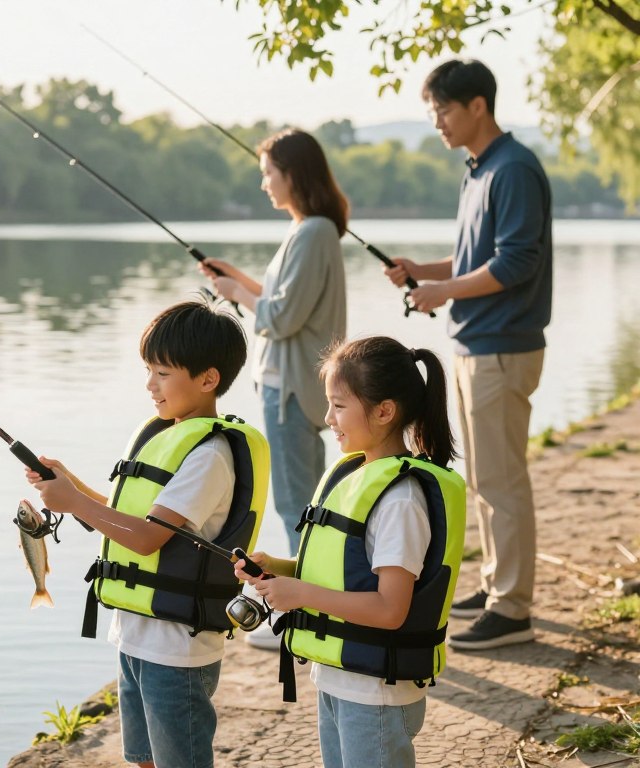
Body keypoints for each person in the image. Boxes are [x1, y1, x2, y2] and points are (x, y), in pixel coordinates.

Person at [25, 299, 270, 768]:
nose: (149, 385)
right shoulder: (167, 436)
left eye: (162, 373)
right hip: (136, 636)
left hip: (177, 649)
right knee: (143, 758)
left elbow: (146, 538)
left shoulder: (209, 454)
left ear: (208, 379)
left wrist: (73, 503)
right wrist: (70, 484)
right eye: (148, 370)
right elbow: (128, 518)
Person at [384, 59, 552, 650]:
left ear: (478, 105)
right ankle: (495, 584)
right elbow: (474, 258)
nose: (438, 123)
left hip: (502, 347)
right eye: (433, 113)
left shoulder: (513, 170)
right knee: (483, 476)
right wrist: (421, 272)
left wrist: (440, 292)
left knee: (501, 479)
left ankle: (514, 608)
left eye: (445, 110)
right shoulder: (478, 170)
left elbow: (514, 263)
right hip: (475, 344)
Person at [235, 336, 466, 768]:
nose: (327, 418)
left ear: (384, 411)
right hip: (339, 679)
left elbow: (389, 609)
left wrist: (300, 595)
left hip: (376, 691)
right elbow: (347, 573)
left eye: (339, 406)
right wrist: (278, 570)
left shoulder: (400, 500)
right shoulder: (355, 475)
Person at [199, 129, 347, 650]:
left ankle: (300, 614)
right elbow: (285, 301)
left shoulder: (312, 233)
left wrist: (237, 292)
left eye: (269, 172)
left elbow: (281, 317)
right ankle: (308, 604)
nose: (263, 182)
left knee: (294, 503)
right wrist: (238, 280)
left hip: (290, 391)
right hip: (290, 385)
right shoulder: (310, 231)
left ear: (293, 174)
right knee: (298, 499)